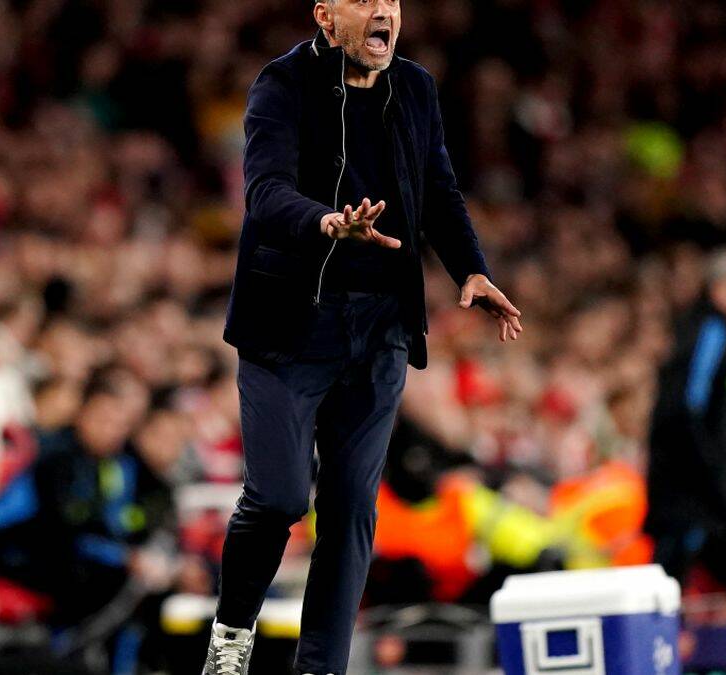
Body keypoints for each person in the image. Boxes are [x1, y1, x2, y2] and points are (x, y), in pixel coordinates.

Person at [209, 1, 523, 673]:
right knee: (280, 498)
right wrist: (326, 222)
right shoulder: (282, 84)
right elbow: (265, 191)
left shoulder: (415, 86)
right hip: (288, 325)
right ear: (326, 16)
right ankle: (231, 636)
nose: (384, 10)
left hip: (380, 327)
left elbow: (439, 189)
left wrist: (471, 267)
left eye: (393, 0)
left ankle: (321, 666)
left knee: (351, 507)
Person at [0, 370, 178, 674]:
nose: (110, 430)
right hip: (5, 552)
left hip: (56, 555)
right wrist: (124, 558)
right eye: (102, 419)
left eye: (120, 424)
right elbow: (62, 528)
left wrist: (138, 555)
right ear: (82, 413)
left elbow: (114, 524)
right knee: (106, 578)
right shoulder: (56, 457)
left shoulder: (113, 464)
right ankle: (63, 656)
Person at [645, 244, 726, 593]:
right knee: (668, 592)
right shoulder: (710, 334)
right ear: (720, 290)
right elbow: (687, 408)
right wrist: (717, 479)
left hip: (710, 503)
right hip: (691, 502)